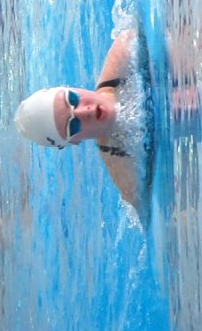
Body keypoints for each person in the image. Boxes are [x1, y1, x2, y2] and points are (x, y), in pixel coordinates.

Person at [14, 29, 147, 209]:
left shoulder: (124, 52)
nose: (86, 111)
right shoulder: (126, 173)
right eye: (73, 126)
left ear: (74, 88)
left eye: (73, 99)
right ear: (74, 141)